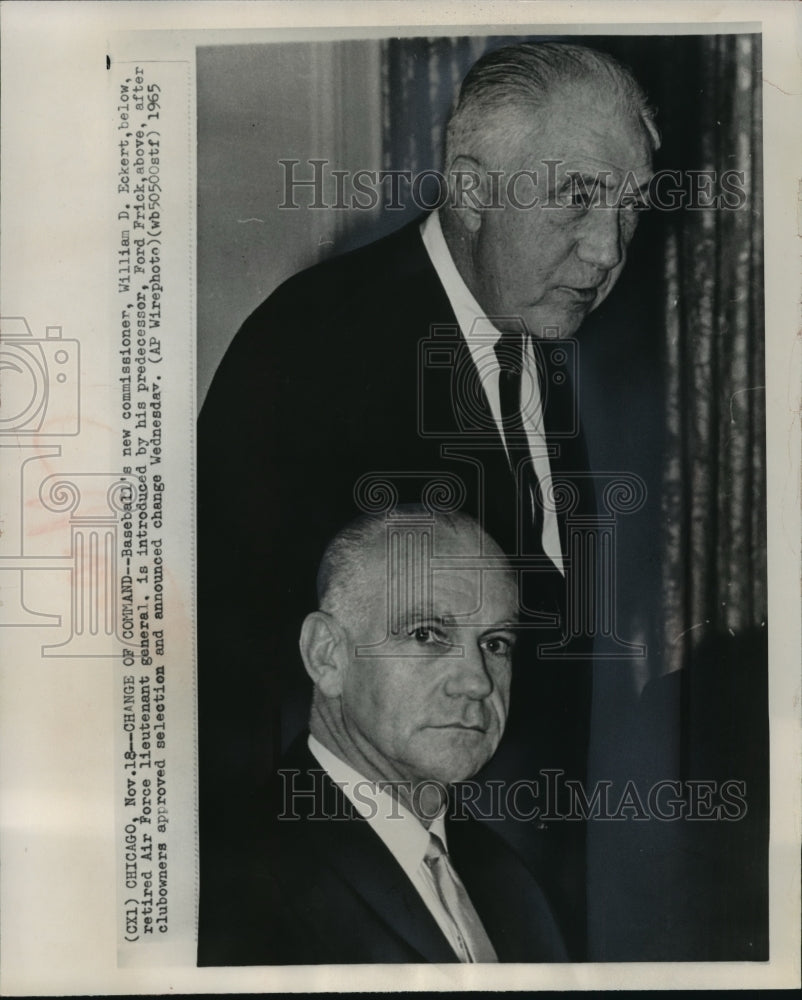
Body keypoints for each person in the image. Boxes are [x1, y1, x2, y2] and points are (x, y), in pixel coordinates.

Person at [197, 40, 657, 960]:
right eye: (576, 196)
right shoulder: (315, 348)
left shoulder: (531, 333)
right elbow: (230, 679)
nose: (608, 249)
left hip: (503, 901)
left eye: (632, 206)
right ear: (473, 186)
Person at [199, 507, 567, 964]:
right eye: (428, 633)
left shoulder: (509, 880)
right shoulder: (229, 875)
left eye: (495, 644)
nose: (478, 682)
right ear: (328, 656)